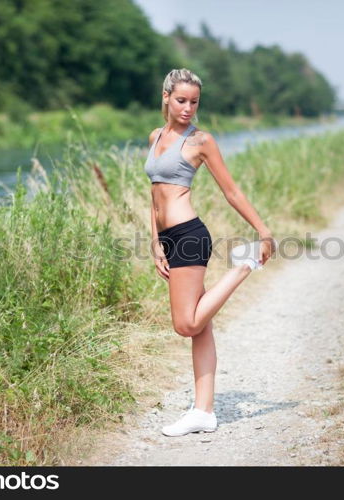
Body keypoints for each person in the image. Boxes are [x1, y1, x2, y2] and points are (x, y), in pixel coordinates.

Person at [144, 68, 275, 436]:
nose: (188, 108)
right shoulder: (156, 137)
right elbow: (153, 194)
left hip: (189, 235)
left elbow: (231, 191)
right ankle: (204, 411)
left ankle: (245, 264)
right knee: (200, 328)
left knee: (186, 324)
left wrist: (263, 232)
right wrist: (154, 240)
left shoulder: (200, 140)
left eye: (194, 102)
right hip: (168, 239)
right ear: (167, 96)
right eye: (182, 100)